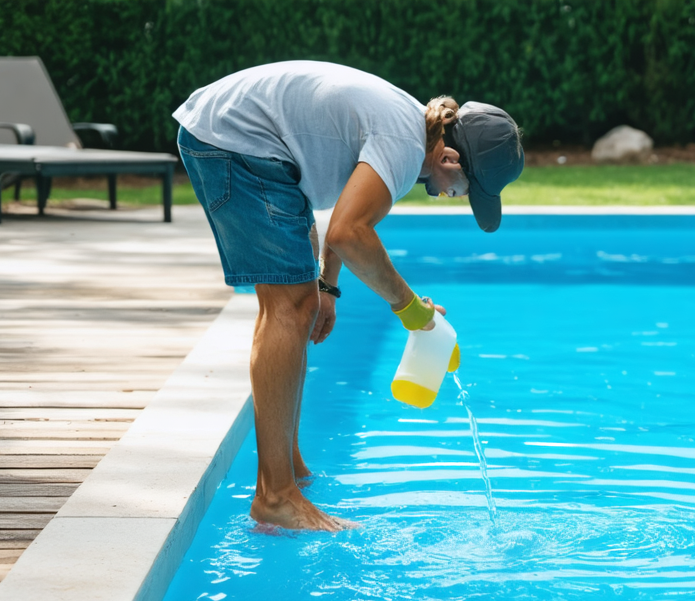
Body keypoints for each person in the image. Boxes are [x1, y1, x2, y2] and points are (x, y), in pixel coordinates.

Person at [173, 61, 524, 532]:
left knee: (301, 302)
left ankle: (288, 468)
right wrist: (410, 309)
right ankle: (275, 496)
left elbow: (345, 214)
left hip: (249, 141)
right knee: (289, 307)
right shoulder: (404, 146)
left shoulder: (409, 131)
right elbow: (349, 232)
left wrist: (327, 285)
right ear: (450, 160)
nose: (454, 198)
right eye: (464, 192)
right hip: (235, 140)